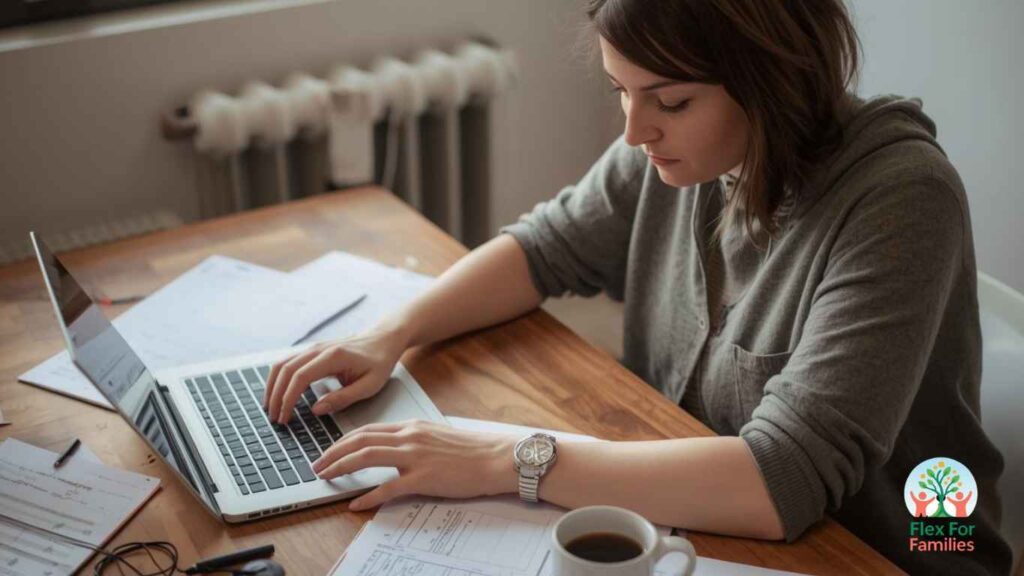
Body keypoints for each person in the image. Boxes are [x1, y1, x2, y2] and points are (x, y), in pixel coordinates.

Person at [262, 1, 1011, 574]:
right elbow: (544, 247)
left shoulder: (903, 199)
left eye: (669, 101)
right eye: (622, 91)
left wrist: (508, 459)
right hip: (694, 525)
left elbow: (781, 480)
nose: (634, 131)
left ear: (774, 79)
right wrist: (387, 335)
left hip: (880, 553)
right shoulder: (692, 152)